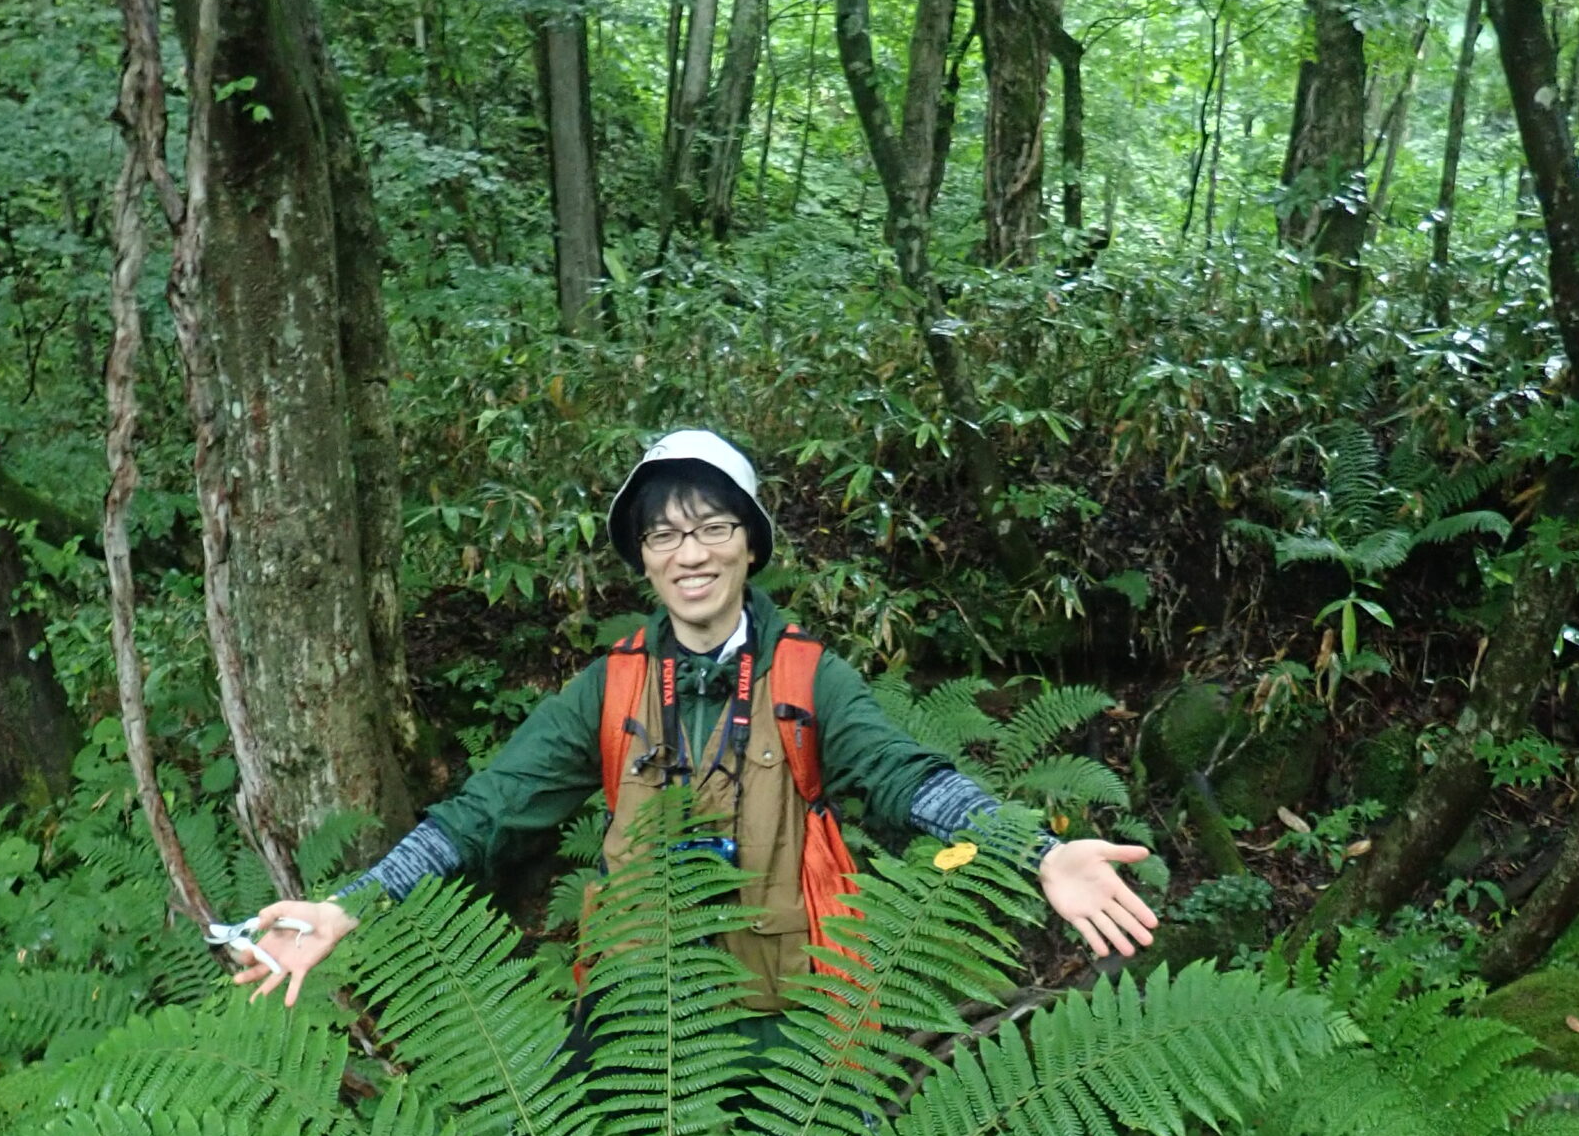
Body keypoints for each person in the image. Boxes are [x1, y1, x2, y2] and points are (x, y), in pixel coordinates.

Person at [233, 429, 1157, 1008]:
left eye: (713, 525)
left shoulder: (809, 677)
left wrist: (1033, 849)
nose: (691, 552)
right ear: (643, 557)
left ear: (750, 542)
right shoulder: (607, 689)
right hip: (643, 1014)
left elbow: (909, 780)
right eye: (665, 533)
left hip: (787, 1012)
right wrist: (352, 904)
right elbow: (482, 815)